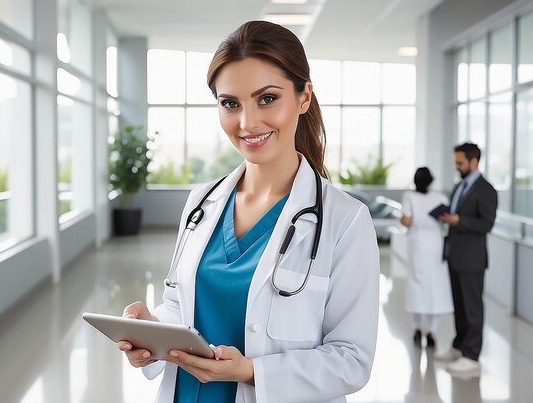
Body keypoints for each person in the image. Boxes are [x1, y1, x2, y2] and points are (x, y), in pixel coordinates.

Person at [118, 21, 380, 403]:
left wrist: (252, 372)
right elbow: (179, 303)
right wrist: (153, 331)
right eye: (230, 103)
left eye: (267, 98)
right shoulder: (201, 203)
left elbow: (352, 360)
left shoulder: (345, 220)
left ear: (304, 97)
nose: (247, 123)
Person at [436, 143, 497, 376]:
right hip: (455, 254)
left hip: (472, 258)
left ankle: (472, 356)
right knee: (459, 306)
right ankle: (460, 345)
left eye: (460, 163)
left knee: (472, 308)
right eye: (455, 162)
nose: (457, 167)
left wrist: (458, 220)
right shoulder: (460, 186)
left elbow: (486, 223)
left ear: (474, 162)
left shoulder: (486, 190)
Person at [400, 167, 454, 348]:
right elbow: (446, 219)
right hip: (435, 243)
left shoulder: (410, 196)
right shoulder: (440, 197)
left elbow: (406, 221)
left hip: (418, 243)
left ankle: (416, 329)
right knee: (435, 285)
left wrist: (403, 219)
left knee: (417, 284)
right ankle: (432, 331)